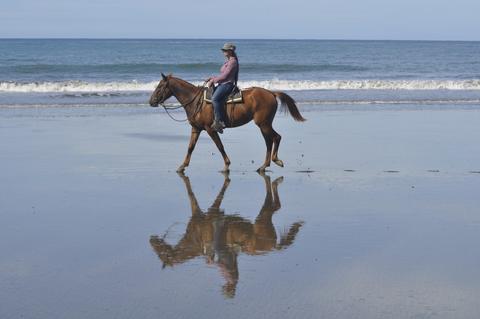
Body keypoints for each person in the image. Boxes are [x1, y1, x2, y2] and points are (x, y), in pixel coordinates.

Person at [206, 43, 239, 133]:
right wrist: (212, 78)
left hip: (227, 84)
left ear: (230, 51)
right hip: (223, 84)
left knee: (215, 99)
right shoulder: (228, 61)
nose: (223, 52)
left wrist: (213, 81)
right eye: (223, 50)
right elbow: (223, 75)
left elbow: (225, 77)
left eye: (225, 50)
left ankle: (219, 122)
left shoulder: (233, 62)